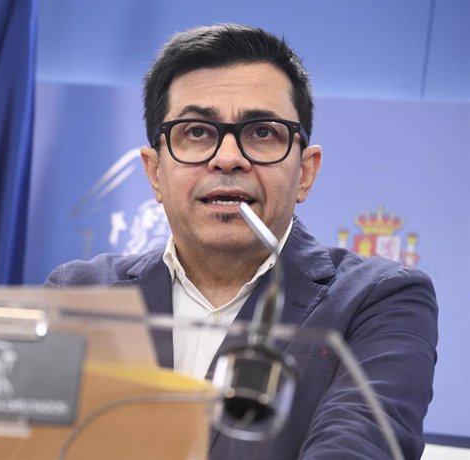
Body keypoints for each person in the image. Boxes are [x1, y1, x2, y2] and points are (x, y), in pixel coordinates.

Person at [46, 24, 438, 459]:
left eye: (262, 133)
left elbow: (356, 447)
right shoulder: (80, 294)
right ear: (155, 172)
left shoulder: (379, 300)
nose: (228, 158)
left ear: (305, 171)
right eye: (196, 132)